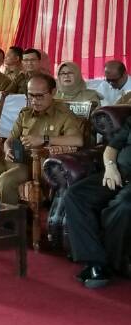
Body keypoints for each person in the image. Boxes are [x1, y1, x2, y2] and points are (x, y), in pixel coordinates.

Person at [0, 72, 83, 204]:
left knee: (6, 181)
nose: (34, 100)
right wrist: (7, 148)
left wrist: (45, 139)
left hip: (31, 165)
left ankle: (9, 223)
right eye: (31, 95)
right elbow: (10, 139)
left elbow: (78, 140)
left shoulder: (63, 115)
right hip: (9, 159)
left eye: (39, 96)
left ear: (53, 92)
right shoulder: (25, 113)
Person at [61, 114, 131, 287]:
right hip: (118, 173)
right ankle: (95, 263)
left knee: (124, 205)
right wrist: (110, 167)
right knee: (75, 195)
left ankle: (109, 263)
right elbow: (112, 148)